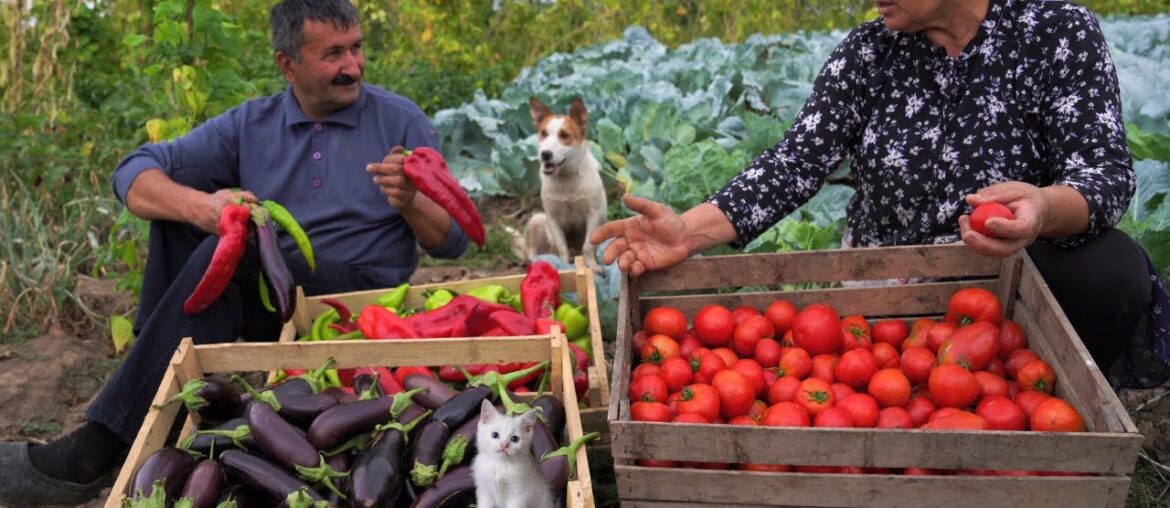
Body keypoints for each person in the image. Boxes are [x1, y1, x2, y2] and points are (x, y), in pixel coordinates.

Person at [0, 0, 469, 505]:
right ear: (287, 64)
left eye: (356, 48)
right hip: (276, 298)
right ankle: (164, 386)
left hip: (358, 303)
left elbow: (452, 241)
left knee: (233, 249)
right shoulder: (252, 123)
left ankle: (93, 452)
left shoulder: (400, 120)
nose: (352, 66)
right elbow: (134, 173)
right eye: (333, 54)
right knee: (185, 206)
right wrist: (202, 207)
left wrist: (412, 202)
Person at [592, 0, 1170, 389]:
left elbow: (1104, 174)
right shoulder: (870, 51)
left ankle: (1050, 400)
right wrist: (688, 232)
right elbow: (795, 162)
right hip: (891, 292)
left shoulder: (1056, 32)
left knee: (1113, 269)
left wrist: (1044, 208)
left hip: (1009, 283)